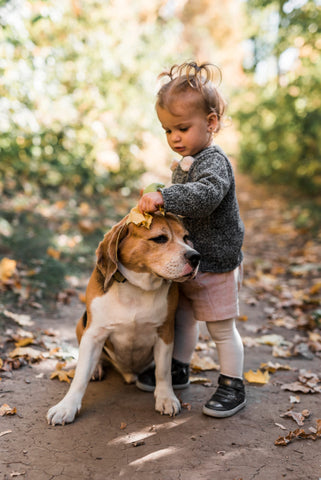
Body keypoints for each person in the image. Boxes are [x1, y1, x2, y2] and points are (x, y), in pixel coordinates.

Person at [136, 61, 246, 418]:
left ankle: (232, 383)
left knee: (220, 327)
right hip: (187, 261)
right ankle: (179, 368)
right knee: (182, 319)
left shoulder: (213, 162)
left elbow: (206, 195)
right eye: (167, 130)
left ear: (211, 123)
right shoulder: (184, 162)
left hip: (214, 262)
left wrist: (167, 196)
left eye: (182, 128)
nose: (174, 138)